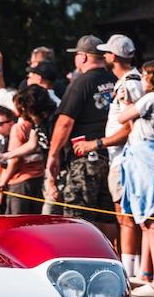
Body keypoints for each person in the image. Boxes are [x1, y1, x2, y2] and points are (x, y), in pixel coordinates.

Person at [76, 34, 144, 280]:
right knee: (127, 216)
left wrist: (96, 144)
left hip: (124, 157)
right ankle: (136, 268)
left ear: (113, 56)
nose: (103, 56)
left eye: (106, 52)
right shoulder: (129, 81)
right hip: (123, 157)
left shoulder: (129, 84)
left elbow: (129, 129)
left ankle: (130, 271)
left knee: (125, 216)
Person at [46, 35, 116, 239]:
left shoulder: (81, 83)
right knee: (106, 215)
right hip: (110, 155)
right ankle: (108, 253)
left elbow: (65, 122)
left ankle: (82, 255)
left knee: (78, 214)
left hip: (84, 158)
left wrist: (53, 154)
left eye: (76, 54)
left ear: (83, 57)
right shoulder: (114, 80)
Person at [118, 59, 154, 297]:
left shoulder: (152, 98)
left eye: (144, 75)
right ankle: (146, 274)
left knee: (152, 220)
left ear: (153, 77)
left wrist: (126, 102)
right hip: (146, 157)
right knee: (146, 220)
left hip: (148, 160)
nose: (142, 79)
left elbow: (122, 117)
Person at [0, 85, 54, 214]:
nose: (20, 113)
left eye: (23, 109)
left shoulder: (53, 120)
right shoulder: (35, 123)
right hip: (43, 176)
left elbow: (55, 152)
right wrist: (6, 156)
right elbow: (32, 144)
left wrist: (3, 181)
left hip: (52, 173)